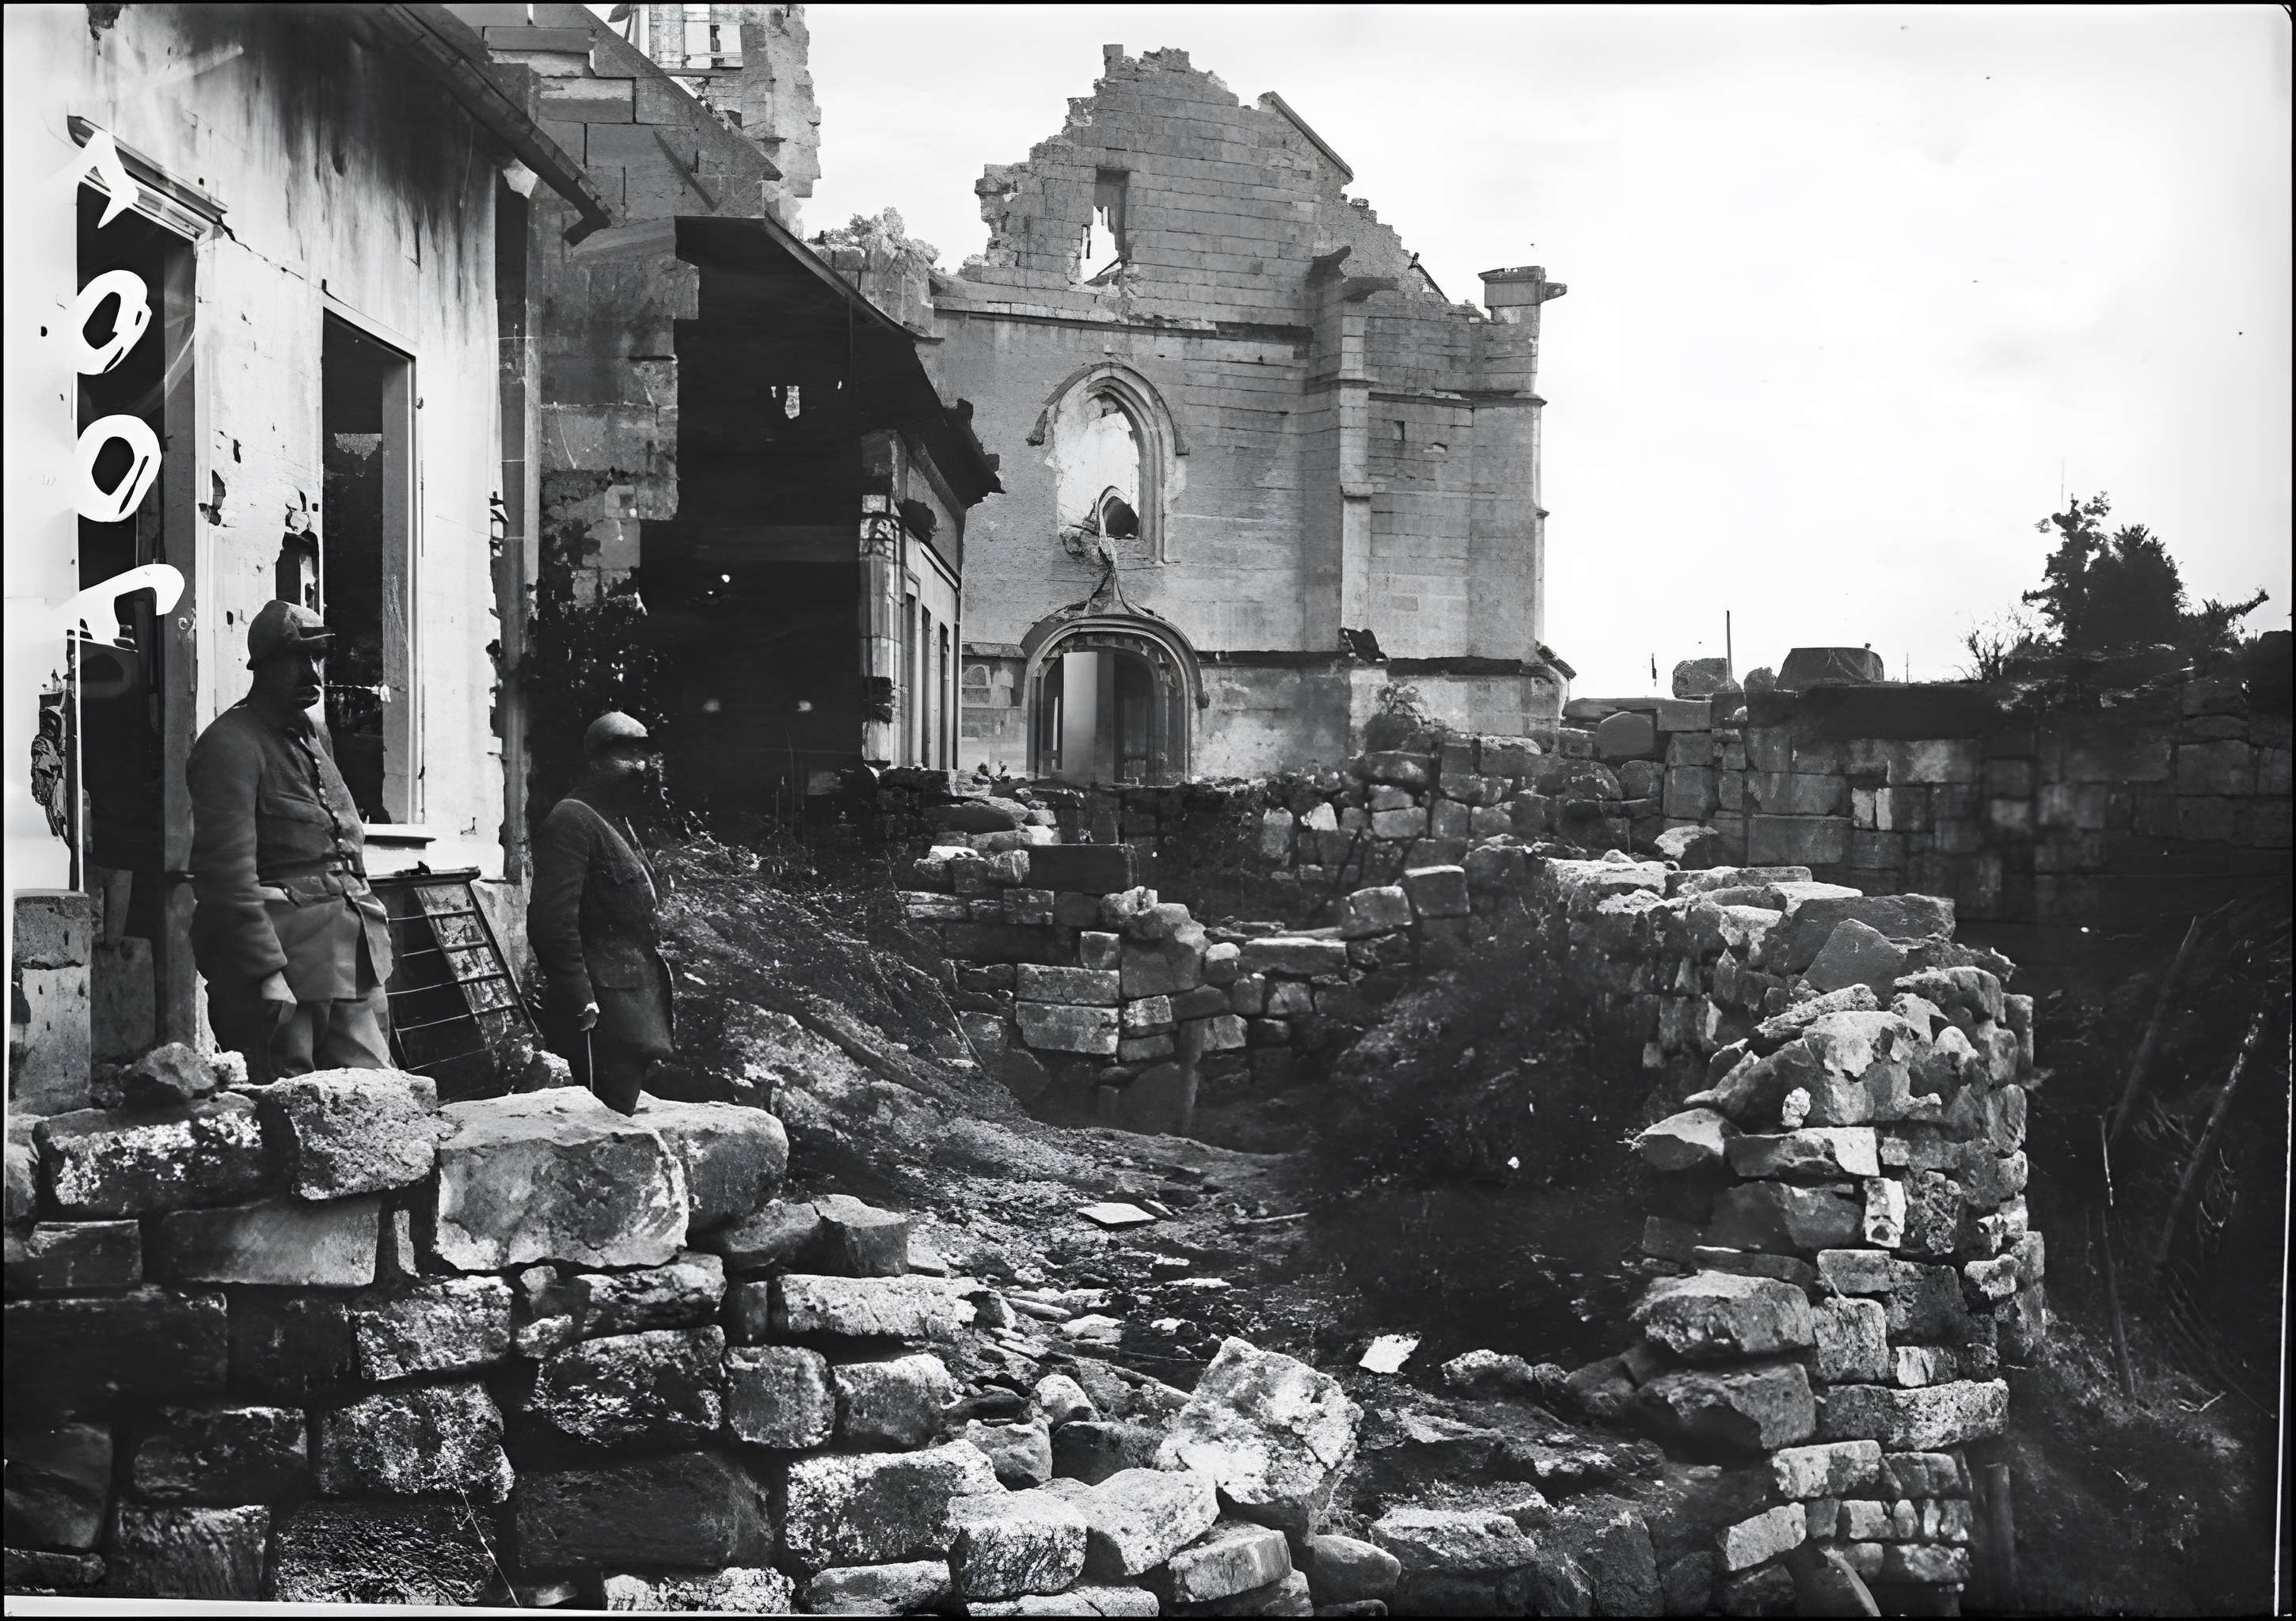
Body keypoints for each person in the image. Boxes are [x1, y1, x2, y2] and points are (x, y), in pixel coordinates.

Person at [188, 600, 394, 1082]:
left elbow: (339, 845)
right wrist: (265, 973)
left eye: (317, 658)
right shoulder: (230, 744)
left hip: (350, 956)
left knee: (378, 1090)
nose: (312, 673)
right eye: (296, 660)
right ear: (262, 665)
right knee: (290, 1095)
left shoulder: (312, 734)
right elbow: (225, 877)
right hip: (286, 966)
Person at [527, 712, 673, 1114]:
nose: (641, 767)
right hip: (601, 1010)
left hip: (633, 1003)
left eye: (643, 756)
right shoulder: (571, 819)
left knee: (623, 1114)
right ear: (594, 762)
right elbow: (552, 923)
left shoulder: (615, 820)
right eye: (626, 756)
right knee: (604, 1120)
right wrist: (582, 1000)